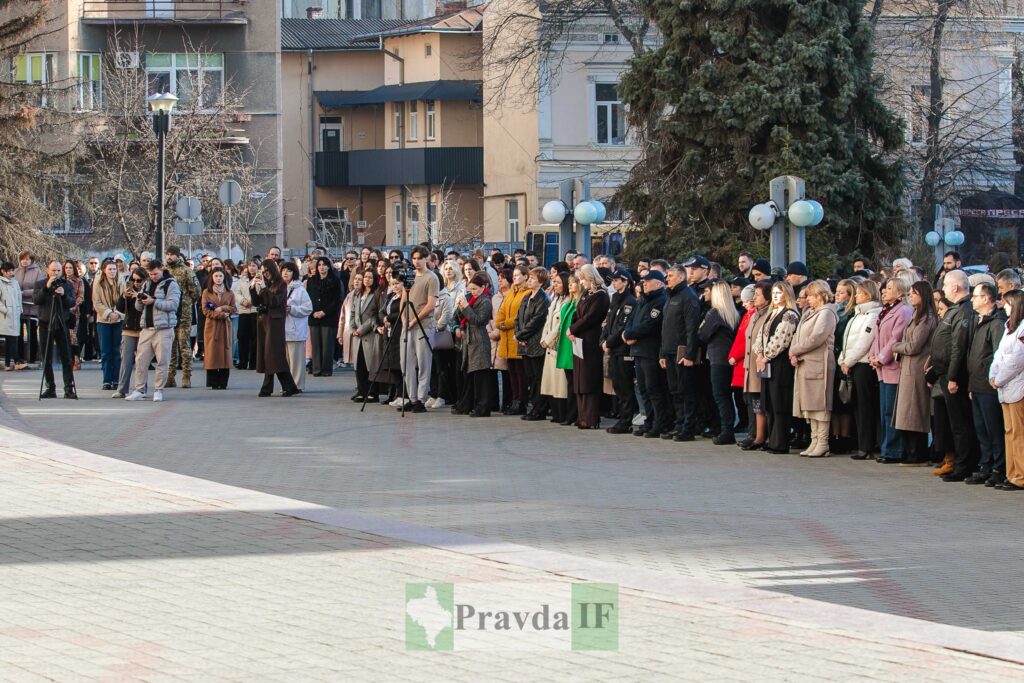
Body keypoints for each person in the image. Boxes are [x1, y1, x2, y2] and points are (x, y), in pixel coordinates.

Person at [788, 280, 839, 457]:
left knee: (820, 404)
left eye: (810, 295)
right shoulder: (809, 313)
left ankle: (823, 442)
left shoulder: (826, 313)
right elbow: (798, 335)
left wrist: (795, 350)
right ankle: (814, 440)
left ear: (820, 295)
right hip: (805, 362)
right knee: (809, 404)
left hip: (820, 363)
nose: (807, 299)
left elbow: (817, 337)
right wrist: (793, 352)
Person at [891, 281, 939, 466]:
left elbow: (914, 346)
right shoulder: (917, 316)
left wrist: (895, 346)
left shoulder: (927, 318)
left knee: (915, 411)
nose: (910, 296)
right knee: (907, 411)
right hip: (909, 368)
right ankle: (911, 450)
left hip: (917, 369)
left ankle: (917, 453)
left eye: (914, 293)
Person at [965, 283, 1007, 486]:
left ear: (987, 298)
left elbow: (998, 355)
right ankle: (986, 465)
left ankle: (999, 468)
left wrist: (993, 379)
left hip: (989, 386)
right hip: (977, 384)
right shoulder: (979, 321)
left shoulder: (996, 323)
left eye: (976, 296)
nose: (972, 299)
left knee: (993, 429)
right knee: (981, 429)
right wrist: (972, 385)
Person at [937, 270, 978, 482]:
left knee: (961, 424)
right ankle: (961, 463)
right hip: (946, 373)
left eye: (945, 285)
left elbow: (958, 346)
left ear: (955, 287)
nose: (943, 289)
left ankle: (964, 465)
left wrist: (952, 376)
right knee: (956, 424)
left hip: (956, 376)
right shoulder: (956, 309)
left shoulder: (964, 311)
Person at [869, 278, 913, 463]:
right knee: (884, 411)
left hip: (892, 367)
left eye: (889, 288)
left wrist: (881, 358)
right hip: (882, 369)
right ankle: (887, 448)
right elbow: (877, 336)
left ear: (900, 291)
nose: (884, 291)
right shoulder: (885, 310)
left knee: (891, 411)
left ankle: (894, 450)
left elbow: (896, 338)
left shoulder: (903, 311)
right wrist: (872, 356)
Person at [754, 281, 800, 453]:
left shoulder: (790, 315)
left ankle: (780, 442)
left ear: (787, 294)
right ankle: (772, 439)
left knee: (780, 402)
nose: (775, 295)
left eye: (779, 292)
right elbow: (761, 335)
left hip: (780, 363)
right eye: (773, 292)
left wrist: (766, 356)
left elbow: (781, 340)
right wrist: (759, 353)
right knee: (770, 403)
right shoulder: (772, 313)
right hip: (767, 362)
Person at [839, 280, 882, 460]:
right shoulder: (858, 314)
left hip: (863, 365)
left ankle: (867, 446)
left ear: (869, 294)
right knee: (856, 405)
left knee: (865, 406)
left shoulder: (872, 315)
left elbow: (863, 342)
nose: (855, 296)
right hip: (852, 363)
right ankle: (861, 444)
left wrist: (848, 360)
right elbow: (847, 339)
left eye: (859, 293)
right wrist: (843, 359)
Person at [126, 260, 180, 402]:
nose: (153, 276)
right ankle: (139, 390)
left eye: (155, 273)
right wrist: (139, 299)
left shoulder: (171, 284)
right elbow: (138, 309)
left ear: (162, 270)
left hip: (164, 329)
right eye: (150, 274)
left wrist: (153, 301)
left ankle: (158, 390)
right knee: (140, 360)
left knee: (162, 361)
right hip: (146, 328)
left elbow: (173, 305)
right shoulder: (146, 283)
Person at [625, 270, 670, 438]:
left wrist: (630, 334)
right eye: (643, 281)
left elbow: (649, 324)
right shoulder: (642, 300)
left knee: (654, 389)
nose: (644, 283)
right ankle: (649, 421)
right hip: (638, 350)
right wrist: (626, 333)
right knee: (643, 389)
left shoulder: (660, 300)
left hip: (650, 351)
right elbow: (632, 320)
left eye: (648, 281)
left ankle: (659, 423)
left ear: (658, 283)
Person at [661, 265, 702, 441]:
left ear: (680, 277)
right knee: (674, 391)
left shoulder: (688, 297)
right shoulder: (670, 296)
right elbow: (665, 327)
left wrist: (690, 355)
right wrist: (662, 353)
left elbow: (692, 328)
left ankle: (688, 427)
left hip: (682, 353)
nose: (667, 279)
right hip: (669, 352)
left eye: (670, 276)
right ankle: (679, 424)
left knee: (686, 391)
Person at [250, 259, 302, 398]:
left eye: (267, 271)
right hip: (264, 321)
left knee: (272, 354)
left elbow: (274, 301)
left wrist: (264, 289)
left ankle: (268, 388)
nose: (265, 274)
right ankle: (289, 386)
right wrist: (253, 288)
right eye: (263, 271)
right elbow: (257, 302)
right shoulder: (268, 283)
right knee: (271, 355)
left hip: (275, 322)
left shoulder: (281, 285)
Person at [989, 289, 1024, 490]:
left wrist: (999, 377)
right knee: (1009, 432)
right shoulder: (1009, 327)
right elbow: (999, 355)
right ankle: (1012, 473)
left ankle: (1020, 475)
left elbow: (1017, 359)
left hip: (1017, 385)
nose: (1005, 306)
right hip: (1004, 386)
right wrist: (993, 375)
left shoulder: (1022, 329)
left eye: (1008, 303)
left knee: (1019, 433)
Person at [568, 265, 610, 429]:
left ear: (591, 278)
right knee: (579, 379)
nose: (582, 282)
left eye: (583, 279)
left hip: (591, 340)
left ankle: (591, 418)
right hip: (579, 339)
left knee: (588, 379)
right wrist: (571, 329)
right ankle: (582, 416)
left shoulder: (601, 296)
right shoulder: (586, 294)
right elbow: (577, 313)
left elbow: (590, 318)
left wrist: (573, 328)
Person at [698, 281, 740, 444]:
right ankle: (726, 428)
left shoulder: (715, 313)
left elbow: (702, 333)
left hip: (717, 358)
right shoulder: (733, 313)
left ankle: (726, 431)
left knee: (720, 396)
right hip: (728, 358)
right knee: (726, 396)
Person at [398, 247, 438, 413]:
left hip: (423, 325)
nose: (416, 261)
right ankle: (412, 397)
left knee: (423, 363)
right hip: (407, 326)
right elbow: (403, 299)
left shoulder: (432, 278)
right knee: (406, 363)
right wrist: (403, 319)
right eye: (414, 258)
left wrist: (414, 320)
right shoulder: (410, 276)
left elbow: (430, 305)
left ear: (426, 258)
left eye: (420, 258)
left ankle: (421, 398)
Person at [454, 272, 496, 417]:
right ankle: (467, 404)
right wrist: (460, 308)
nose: (472, 292)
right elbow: (458, 317)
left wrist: (466, 308)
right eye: (470, 289)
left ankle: (483, 406)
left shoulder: (486, 301)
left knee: (481, 374)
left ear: (483, 287)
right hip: (468, 339)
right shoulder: (469, 298)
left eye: (475, 289)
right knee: (470, 374)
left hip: (479, 339)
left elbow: (479, 320)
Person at [33, 261, 77, 399]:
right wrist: (46, 288)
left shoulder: (67, 284)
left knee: (66, 357)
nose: (56, 273)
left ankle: (68, 388)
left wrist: (63, 295)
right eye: (53, 270)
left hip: (62, 323)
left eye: (58, 270)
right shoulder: (40, 284)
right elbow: (36, 300)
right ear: (48, 270)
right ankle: (50, 387)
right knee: (46, 357)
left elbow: (72, 302)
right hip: (45, 323)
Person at [602, 270, 638, 434]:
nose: (614, 283)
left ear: (625, 282)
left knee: (624, 386)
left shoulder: (629, 301)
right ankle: (623, 419)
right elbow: (608, 322)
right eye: (613, 281)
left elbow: (622, 325)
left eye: (617, 280)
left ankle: (626, 420)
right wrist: (603, 340)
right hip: (613, 349)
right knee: (616, 384)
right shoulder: (615, 299)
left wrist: (609, 342)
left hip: (622, 349)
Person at [737, 282, 771, 450]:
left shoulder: (769, 315)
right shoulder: (755, 314)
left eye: (757, 295)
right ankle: (756, 435)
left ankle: (763, 436)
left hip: (762, 365)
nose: (754, 298)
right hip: (751, 365)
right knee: (754, 403)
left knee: (762, 403)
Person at [515, 267, 550, 421]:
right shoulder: (527, 296)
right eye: (528, 278)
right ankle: (534, 407)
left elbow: (537, 321)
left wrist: (521, 334)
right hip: (524, 342)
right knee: (530, 377)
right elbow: (518, 317)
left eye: (532, 279)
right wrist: (518, 334)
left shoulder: (543, 299)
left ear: (541, 282)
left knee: (537, 377)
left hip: (535, 342)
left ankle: (539, 408)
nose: (529, 281)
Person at [495, 265, 530, 415]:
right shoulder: (510, 293)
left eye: (517, 275)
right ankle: (515, 400)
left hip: (518, 337)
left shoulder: (527, 293)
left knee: (521, 373)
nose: (515, 277)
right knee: (512, 372)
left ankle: (521, 401)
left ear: (525, 276)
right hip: (506, 338)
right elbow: (501, 312)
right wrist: (500, 323)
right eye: (514, 275)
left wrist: (505, 324)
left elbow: (520, 316)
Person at [164, 246, 200, 389]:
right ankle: (170, 376)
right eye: (167, 254)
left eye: (172, 255)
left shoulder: (186, 271)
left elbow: (196, 292)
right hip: (168, 313)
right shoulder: (164, 271)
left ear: (178, 256)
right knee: (170, 347)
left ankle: (186, 376)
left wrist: (187, 301)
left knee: (184, 345)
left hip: (184, 313)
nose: (169, 257)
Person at [539, 272, 571, 423]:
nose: (555, 285)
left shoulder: (568, 301)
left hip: (557, 345)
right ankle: (556, 412)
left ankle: (562, 413)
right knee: (550, 382)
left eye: (558, 282)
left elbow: (559, 326)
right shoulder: (555, 300)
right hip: (548, 345)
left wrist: (548, 340)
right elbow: (548, 321)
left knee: (560, 384)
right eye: (554, 282)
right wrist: (543, 338)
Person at [350, 269, 383, 402]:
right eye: (365, 277)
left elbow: (373, 315)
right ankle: (361, 391)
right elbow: (353, 313)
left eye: (370, 277)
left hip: (370, 334)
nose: (367, 279)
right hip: (357, 335)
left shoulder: (376, 294)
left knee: (370, 364)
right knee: (359, 365)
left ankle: (372, 393)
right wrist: (353, 327)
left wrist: (361, 329)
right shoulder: (358, 294)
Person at [200, 267, 236, 390]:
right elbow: (205, 310)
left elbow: (233, 308)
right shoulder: (206, 292)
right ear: (212, 278)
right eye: (216, 276)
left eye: (221, 276)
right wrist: (219, 314)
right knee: (212, 353)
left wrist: (224, 308)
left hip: (225, 325)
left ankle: (224, 381)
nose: (218, 278)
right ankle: (213, 381)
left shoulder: (229, 292)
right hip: (212, 325)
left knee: (225, 353)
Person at [306, 256, 341, 377]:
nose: (321, 267)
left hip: (328, 317)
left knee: (327, 345)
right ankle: (316, 369)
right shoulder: (311, 280)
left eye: (324, 264)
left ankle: (326, 369)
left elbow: (336, 300)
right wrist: (313, 312)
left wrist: (324, 312)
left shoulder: (335, 280)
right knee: (315, 345)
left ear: (328, 266)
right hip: (313, 316)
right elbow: (308, 298)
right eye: (319, 265)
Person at [112, 268, 145, 399]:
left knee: (142, 361)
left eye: (139, 280)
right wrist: (123, 297)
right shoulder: (128, 290)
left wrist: (140, 296)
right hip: (129, 327)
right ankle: (121, 389)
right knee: (126, 360)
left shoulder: (147, 291)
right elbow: (120, 309)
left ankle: (141, 389)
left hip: (143, 328)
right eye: (134, 279)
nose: (136, 282)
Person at [92, 260, 124, 391]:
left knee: (117, 351)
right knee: (106, 351)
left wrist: (116, 313)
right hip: (103, 320)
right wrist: (108, 313)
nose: (112, 272)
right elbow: (97, 302)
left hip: (118, 320)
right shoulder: (98, 282)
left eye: (114, 269)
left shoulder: (121, 281)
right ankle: (107, 379)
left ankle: (116, 379)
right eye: (110, 269)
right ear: (104, 270)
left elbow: (123, 299)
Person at [281, 262, 313, 392]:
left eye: (289, 270)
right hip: (282, 330)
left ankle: (297, 385)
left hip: (296, 329)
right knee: (286, 361)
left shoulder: (300, 289)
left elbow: (308, 308)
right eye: (283, 270)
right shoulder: (280, 287)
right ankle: (287, 385)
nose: (285, 273)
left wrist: (292, 309)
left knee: (296, 361)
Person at [14, 251, 42, 367]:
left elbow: (39, 288)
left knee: (32, 333)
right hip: (19, 307)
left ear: (32, 260)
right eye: (23, 259)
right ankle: (19, 358)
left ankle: (32, 357)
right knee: (19, 333)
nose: (25, 261)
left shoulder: (37, 272)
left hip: (32, 307)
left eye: (27, 259)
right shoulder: (16, 271)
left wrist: (23, 293)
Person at [234, 259, 259, 370]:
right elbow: (237, 293)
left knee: (254, 337)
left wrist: (252, 302)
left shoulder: (260, 279)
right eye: (250, 266)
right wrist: (242, 300)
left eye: (254, 265)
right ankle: (242, 361)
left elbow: (261, 293)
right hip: (244, 311)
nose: (252, 268)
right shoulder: (242, 279)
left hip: (255, 310)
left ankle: (253, 362)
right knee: (242, 336)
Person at [0, 262, 22, 371]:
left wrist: (19, 309)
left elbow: (19, 296)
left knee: (11, 338)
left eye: (12, 270)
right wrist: (5, 310)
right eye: (8, 271)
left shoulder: (15, 282)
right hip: (5, 316)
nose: (11, 273)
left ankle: (8, 364)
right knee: (11, 338)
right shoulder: (0, 282)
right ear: (3, 271)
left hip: (15, 314)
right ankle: (17, 361)